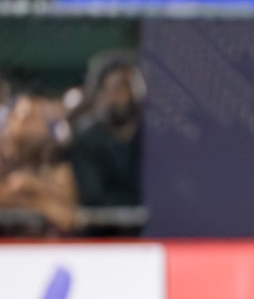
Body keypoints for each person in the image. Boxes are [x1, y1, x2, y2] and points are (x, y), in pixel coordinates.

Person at [68, 51, 145, 226]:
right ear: (99, 93)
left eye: (128, 87)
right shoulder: (87, 140)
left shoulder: (150, 138)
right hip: (104, 235)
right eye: (115, 88)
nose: (122, 96)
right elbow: (95, 199)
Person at [0, 93, 77, 236]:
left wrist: (34, 188)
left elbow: (67, 218)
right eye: (29, 118)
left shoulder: (57, 164)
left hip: (42, 247)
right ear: (12, 120)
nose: (36, 125)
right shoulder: (3, 158)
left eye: (42, 119)